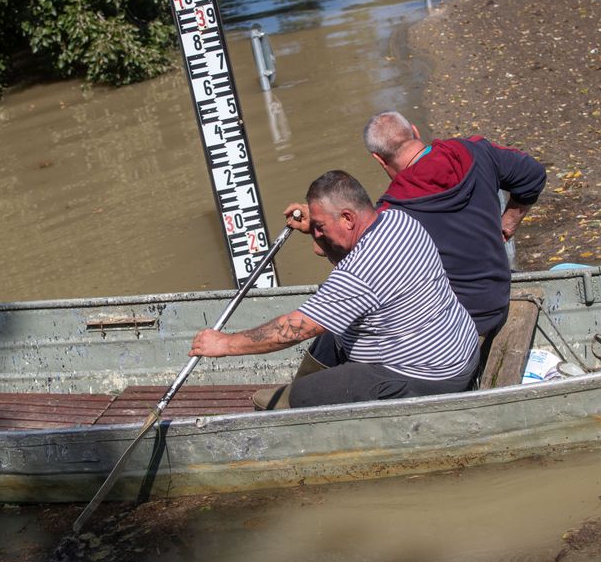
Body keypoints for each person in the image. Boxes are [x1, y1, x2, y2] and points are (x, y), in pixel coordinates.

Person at [190, 170, 479, 409]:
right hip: (456, 348)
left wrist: (225, 344)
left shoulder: (362, 271)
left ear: (348, 218)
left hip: (430, 375)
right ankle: (308, 388)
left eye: (320, 226)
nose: (316, 234)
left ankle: (300, 401)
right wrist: (318, 222)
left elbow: (295, 328)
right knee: (332, 333)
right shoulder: (398, 220)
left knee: (305, 395)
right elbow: (348, 250)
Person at [290, 111, 546, 339]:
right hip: (499, 297)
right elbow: (533, 175)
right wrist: (508, 222)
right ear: (415, 131)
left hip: (456, 323)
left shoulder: (394, 212)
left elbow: (346, 248)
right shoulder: (475, 151)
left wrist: (318, 226)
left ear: (378, 159)